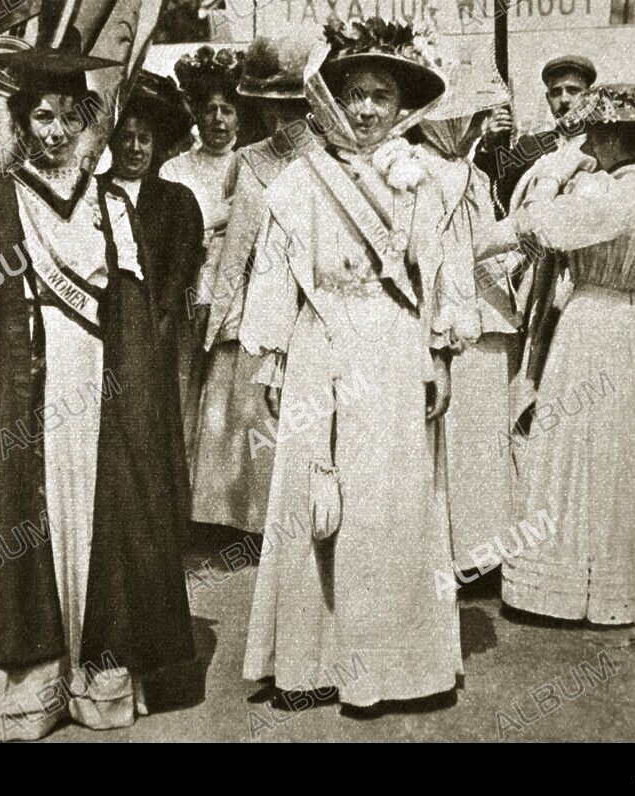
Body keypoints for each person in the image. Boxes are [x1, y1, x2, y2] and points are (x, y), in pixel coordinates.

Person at [0, 37, 200, 742]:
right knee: (17, 521)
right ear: (22, 123)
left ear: (84, 121)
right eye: (39, 118)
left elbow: (131, 314)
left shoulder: (110, 205)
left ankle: (95, 681)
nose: (52, 131)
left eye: (65, 117)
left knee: (97, 516)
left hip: (95, 385)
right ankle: (26, 694)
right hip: (18, 387)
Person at [239, 18, 510, 713]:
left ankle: (398, 667)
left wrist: (442, 356)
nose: (364, 109)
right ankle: (309, 661)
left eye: (380, 97)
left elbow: (444, 274)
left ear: (401, 108)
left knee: (392, 502)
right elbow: (272, 273)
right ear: (332, 99)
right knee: (318, 500)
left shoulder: (427, 182)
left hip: (394, 350)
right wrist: (269, 358)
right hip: (318, 342)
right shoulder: (301, 181)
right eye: (354, 94)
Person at [501, 85, 635, 625]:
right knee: (628, 449)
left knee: (577, 443)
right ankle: (628, 579)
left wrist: (548, 177)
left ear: (610, 139)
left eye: (594, 135)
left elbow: (533, 226)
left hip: (590, 321)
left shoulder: (603, 198)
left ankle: (565, 583)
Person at [190, 36, 319, 535]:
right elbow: (235, 245)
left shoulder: (329, 159)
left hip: (311, 302)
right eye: (269, 108)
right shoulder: (250, 162)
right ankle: (246, 521)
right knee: (245, 413)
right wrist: (216, 315)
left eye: (292, 108)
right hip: (254, 301)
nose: (280, 120)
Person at [415, 89, 522, 577]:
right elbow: (451, 252)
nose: (478, 128)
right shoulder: (430, 173)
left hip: (489, 314)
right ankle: (460, 553)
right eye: (469, 119)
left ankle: (483, 548)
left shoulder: (469, 172)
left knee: (482, 443)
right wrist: (523, 230)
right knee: (459, 444)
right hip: (458, 320)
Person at [97, 70, 205, 533]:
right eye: (127, 137)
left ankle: (156, 523)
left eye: (145, 139)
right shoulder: (93, 195)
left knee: (152, 421)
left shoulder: (176, 200)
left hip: (156, 330)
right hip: (101, 328)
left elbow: (182, 271)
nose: (136, 148)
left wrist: (157, 324)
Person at [162, 46, 244, 461]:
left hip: (237, 295)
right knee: (182, 389)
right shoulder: (175, 170)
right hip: (187, 290)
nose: (217, 119)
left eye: (227, 109)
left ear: (240, 117)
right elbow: (171, 233)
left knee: (225, 398)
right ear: (196, 112)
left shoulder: (250, 167)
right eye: (209, 108)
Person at [474, 55, 597, 217]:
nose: (564, 99)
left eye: (573, 90)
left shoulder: (603, 147)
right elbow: (496, 193)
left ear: (589, 97)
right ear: (548, 99)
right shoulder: (530, 146)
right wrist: (490, 146)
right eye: (556, 92)